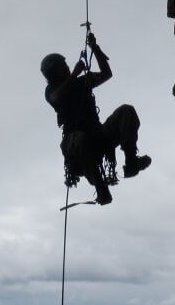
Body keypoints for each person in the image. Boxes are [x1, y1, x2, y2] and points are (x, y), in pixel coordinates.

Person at [41, 31, 151, 205]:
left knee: (126, 111)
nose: (67, 67)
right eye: (63, 66)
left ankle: (131, 161)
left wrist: (95, 49)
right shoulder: (52, 91)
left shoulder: (80, 82)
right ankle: (101, 189)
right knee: (81, 139)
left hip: (97, 136)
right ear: (54, 73)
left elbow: (106, 74)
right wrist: (74, 74)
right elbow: (56, 98)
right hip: (76, 144)